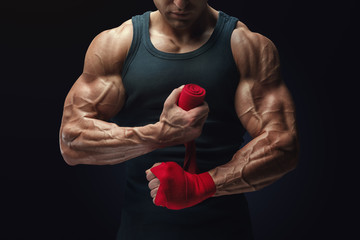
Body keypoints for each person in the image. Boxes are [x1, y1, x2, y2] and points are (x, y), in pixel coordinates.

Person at [59, 0, 299, 239]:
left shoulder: (247, 46)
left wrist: (199, 186)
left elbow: (283, 144)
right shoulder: (116, 44)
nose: (180, 3)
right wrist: (160, 135)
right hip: (141, 232)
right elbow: (71, 141)